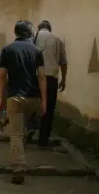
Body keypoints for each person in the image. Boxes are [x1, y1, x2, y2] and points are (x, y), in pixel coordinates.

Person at [0, 20, 47, 185]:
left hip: (15, 97)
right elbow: (41, 76)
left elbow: (2, 76)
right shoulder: (37, 51)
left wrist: (1, 99)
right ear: (31, 33)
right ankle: (27, 137)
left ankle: (18, 167)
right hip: (33, 97)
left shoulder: (8, 49)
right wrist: (44, 100)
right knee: (23, 129)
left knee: (16, 133)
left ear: (16, 33)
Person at [33, 20, 67, 148]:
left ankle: (29, 129)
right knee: (49, 108)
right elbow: (63, 62)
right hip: (51, 79)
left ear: (39, 28)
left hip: (35, 77)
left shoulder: (34, 38)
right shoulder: (58, 40)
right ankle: (43, 139)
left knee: (31, 103)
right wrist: (64, 80)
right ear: (50, 29)